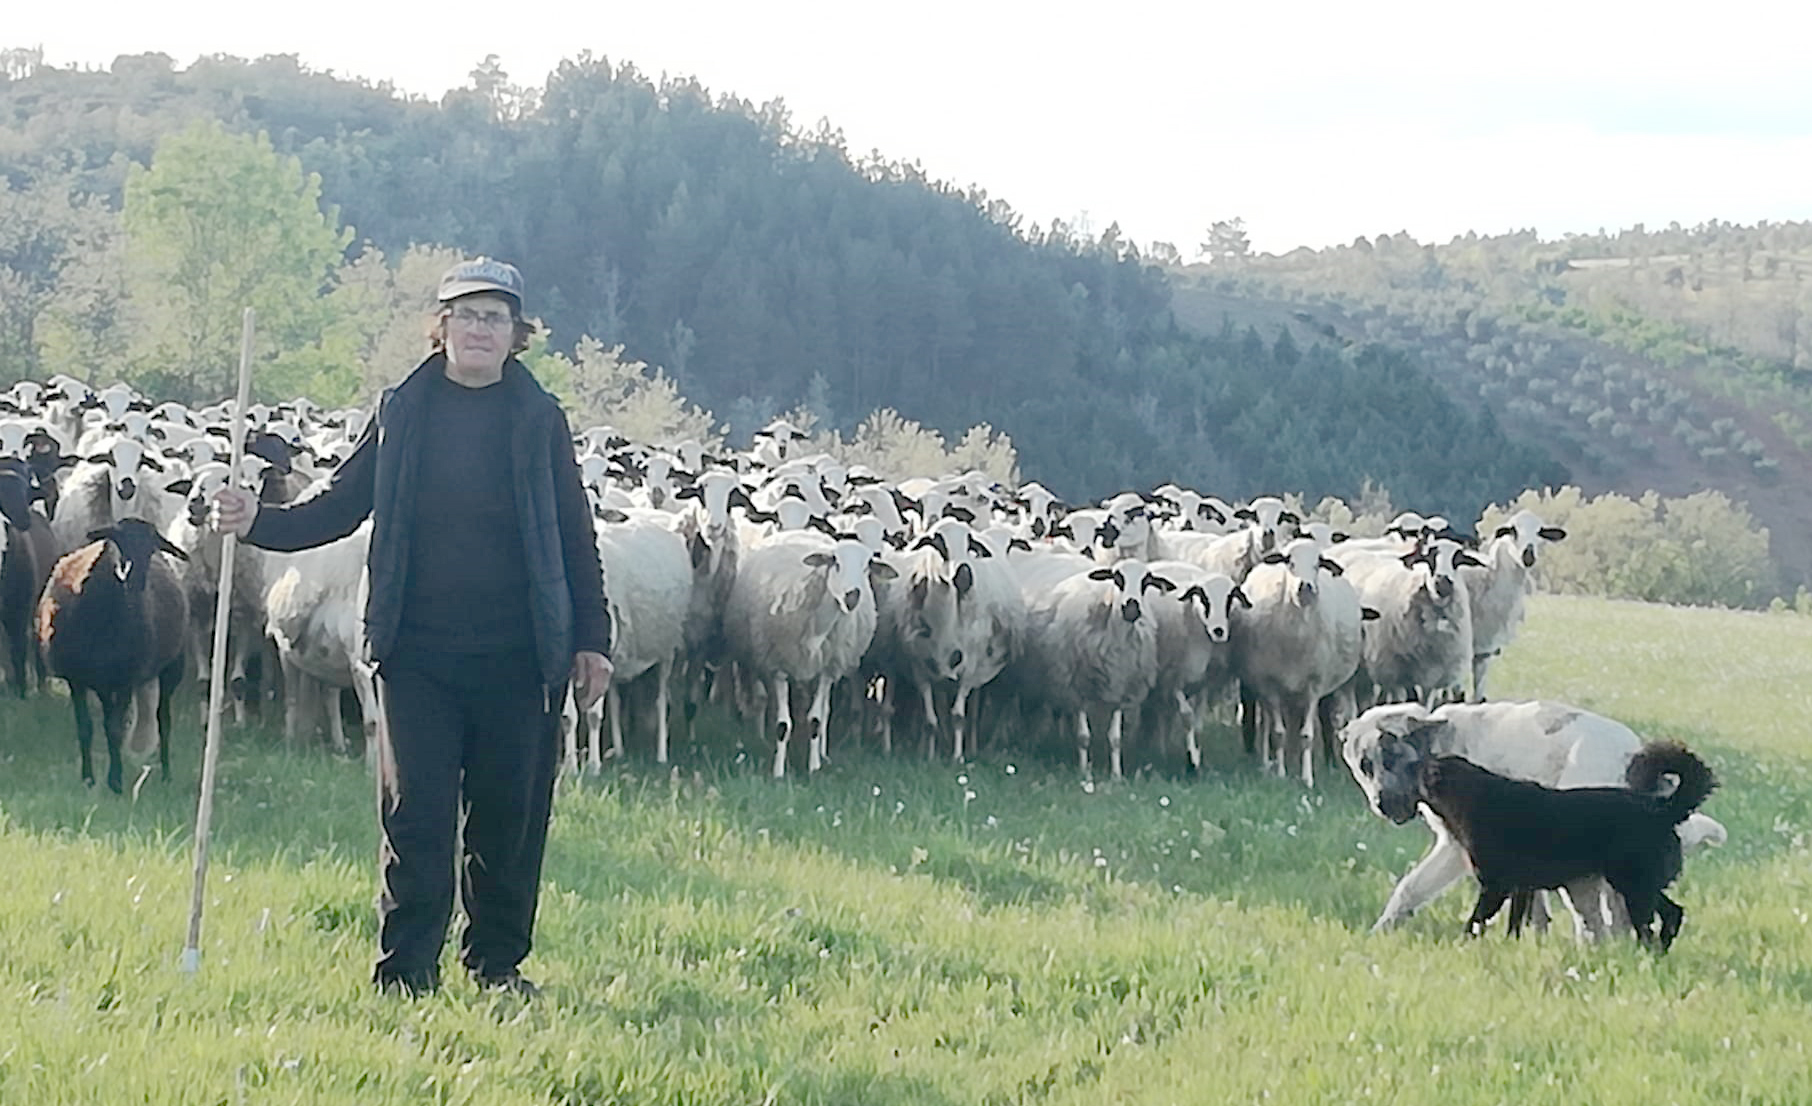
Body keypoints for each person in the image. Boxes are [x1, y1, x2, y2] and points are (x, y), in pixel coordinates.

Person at [212, 257, 614, 997]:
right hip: (416, 651)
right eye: (467, 315)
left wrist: (593, 636)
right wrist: (256, 522)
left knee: (509, 822)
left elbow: (572, 532)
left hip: (522, 654)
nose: (480, 329)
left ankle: (496, 965)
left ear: (516, 335)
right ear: (441, 328)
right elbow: (339, 505)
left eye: (495, 317)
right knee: (418, 818)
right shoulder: (402, 410)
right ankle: (405, 974)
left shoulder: (538, 418)